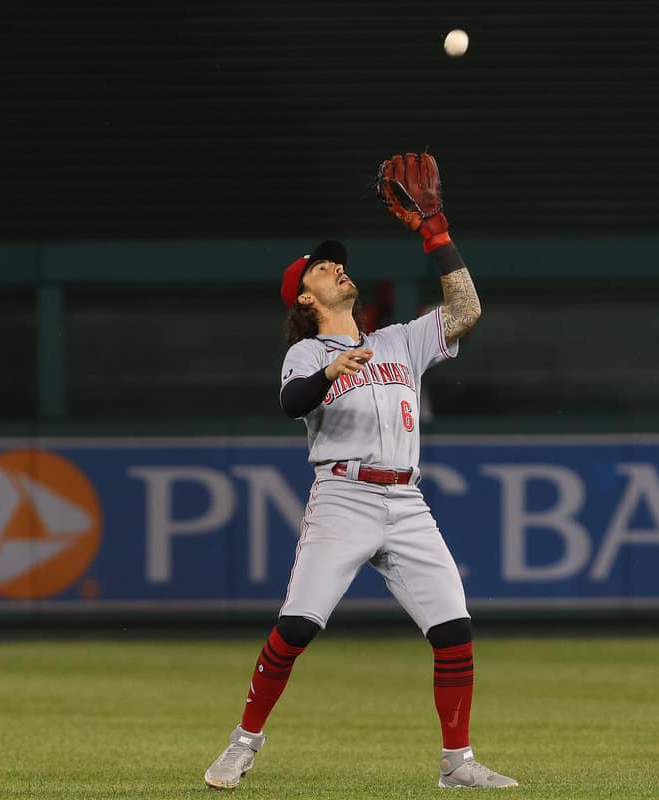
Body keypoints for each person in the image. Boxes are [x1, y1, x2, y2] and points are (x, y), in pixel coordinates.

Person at [203, 154, 517, 791]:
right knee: (296, 626)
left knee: (454, 629)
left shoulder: (400, 340)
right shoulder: (305, 352)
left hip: (407, 502)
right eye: (323, 268)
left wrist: (438, 233)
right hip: (342, 498)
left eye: (337, 263)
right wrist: (327, 374)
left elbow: (466, 313)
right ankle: (242, 744)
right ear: (305, 296)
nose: (336, 268)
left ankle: (456, 763)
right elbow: (291, 403)